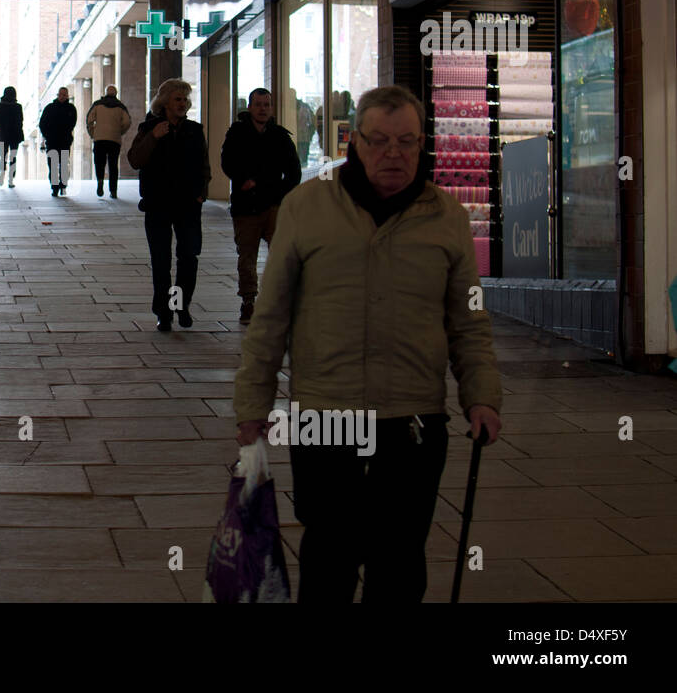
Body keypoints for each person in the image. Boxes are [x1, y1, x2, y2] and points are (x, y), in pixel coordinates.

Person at [232, 85, 503, 603]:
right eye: (378, 140)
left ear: (422, 142)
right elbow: (271, 317)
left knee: (399, 559)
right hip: (327, 414)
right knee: (329, 555)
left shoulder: (445, 215)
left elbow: (468, 318)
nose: (393, 153)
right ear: (354, 141)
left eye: (406, 141)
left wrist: (482, 394)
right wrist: (252, 405)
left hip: (414, 416)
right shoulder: (306, 206)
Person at [127, 79, 211, 332]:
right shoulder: (149, 127)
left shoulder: (194, 130)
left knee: (188, 257)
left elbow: (204, 166)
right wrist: (153, 137)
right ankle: (164, 312)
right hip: (158, 204)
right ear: (164, 102)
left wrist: (201, 194)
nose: (182, 104)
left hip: (187, 205)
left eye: (185, 99)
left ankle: (180, 305)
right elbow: (135, 160)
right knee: (161, 260)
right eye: (177, 99)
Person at [220, 88, 301, 323]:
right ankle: (248, 301)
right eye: (258, 104)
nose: (263, 108)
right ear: (250, 107)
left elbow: (293, 173)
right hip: (246, 208)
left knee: (282, 255)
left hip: (274, 206)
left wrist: (276, 192)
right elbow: (227, 162)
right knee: (247, 257)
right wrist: (245, 180)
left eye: (267, 104)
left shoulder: (280, 136)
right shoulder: (237, 134)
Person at [86, 85, 132, 198]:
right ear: (116, 93)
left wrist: (93, 133)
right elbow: (127, 122)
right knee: (113, 165)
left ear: (105, 93)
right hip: (114, 139)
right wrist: (119, 131)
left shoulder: (97, 105)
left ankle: (100, 182)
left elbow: (89, 120)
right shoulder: (120, 107)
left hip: (99, 139)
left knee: (99, 163)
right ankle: (113, 190)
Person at [39, 87, 77, 196]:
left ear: (67, 95)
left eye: (65, 95)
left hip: (65, 141)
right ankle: (55, 187)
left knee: (64, 164)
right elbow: (42, 124)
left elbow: (72, 123)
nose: (63, 96)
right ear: (58, 95)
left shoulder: (71, 108)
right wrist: (47, 135)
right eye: (61, 94)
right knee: (53, 164)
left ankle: (63, 185)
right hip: (52, 142)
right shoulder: (49, 108)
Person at [0, 86, 24, 188]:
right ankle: (11, 180)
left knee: (3, 156)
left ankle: (2, 173)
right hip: (15, 136)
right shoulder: (18, 107)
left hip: (3, 135)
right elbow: (21, 120)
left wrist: (2, 123)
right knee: (13, 157)